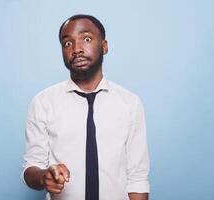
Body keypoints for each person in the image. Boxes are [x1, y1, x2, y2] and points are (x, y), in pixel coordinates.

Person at [22, 14, 150, 200]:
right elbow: (31, 168)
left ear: (104, 46)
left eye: (87, 39)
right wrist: (44, 176)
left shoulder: (130, 103)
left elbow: (137, 177)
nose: (77, 49)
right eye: (68, 43)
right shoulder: (43, 102)